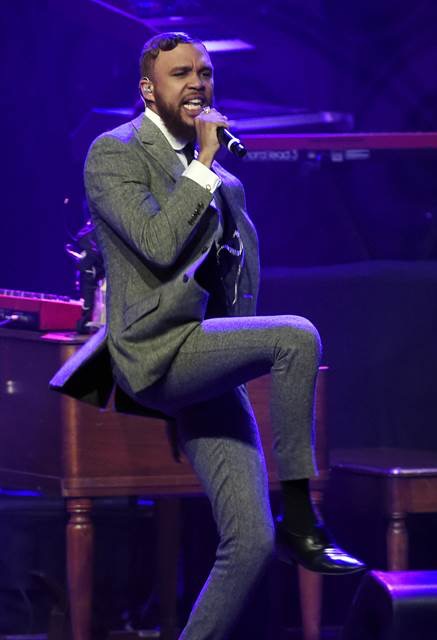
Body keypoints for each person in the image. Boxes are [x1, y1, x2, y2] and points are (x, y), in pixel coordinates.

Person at [51, 32, 364, 640]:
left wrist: (234, 351)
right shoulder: (114, 152)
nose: (197, 83)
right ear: (148, 89)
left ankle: (276, 539)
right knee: (297, 335)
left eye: (205, 72)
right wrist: (201, 164)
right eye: (181, 74)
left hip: (202, 352)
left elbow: (234, 280)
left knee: (249, 543)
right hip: (156, 351)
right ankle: (303, 519)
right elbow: (159, 244)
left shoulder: (218, 175)